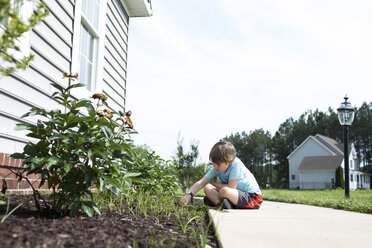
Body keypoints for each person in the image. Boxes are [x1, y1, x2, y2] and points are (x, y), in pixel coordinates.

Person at [179, 141, 262, 209]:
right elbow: (201, 182)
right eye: (213, 163)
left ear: (229, 162)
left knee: (224, 191)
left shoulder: (236, 164)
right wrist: (188, 196)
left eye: (218, 164)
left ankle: (219, 202)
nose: (215, 167)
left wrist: (214, 183)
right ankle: (222, 205)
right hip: (234, 195)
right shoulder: (218, 167)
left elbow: (231, 187)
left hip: (252, 198)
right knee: (208, 187)